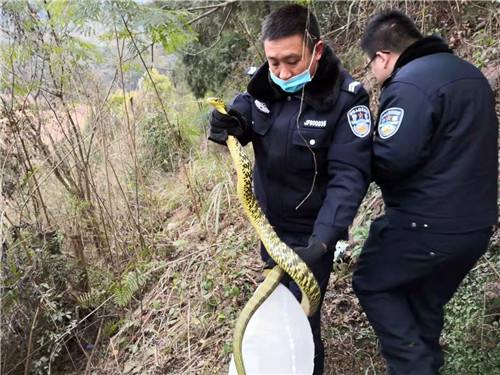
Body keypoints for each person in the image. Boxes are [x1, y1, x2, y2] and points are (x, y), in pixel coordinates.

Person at [209, 4, 372, 374]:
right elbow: (244, 118)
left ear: (316, 49)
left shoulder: (347, 102)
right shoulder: (264, 87)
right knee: (280, 309)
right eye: (273, 62)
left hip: (312, 237)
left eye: (291, 61)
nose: (281, 72)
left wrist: (323, 240)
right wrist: (227, 125)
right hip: (271, 230)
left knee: (302, 320)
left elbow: (350, 178)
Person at [352, 10, 498, 375]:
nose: (374, 74)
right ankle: (425, 365)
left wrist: (356, 155)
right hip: (475, 228)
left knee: (372, 280)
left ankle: (414, 367)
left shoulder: (409, 85)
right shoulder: (469, 74)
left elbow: (392, 158)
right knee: (423, 304)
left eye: (371, 65)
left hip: (426, 225)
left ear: (382, 57)